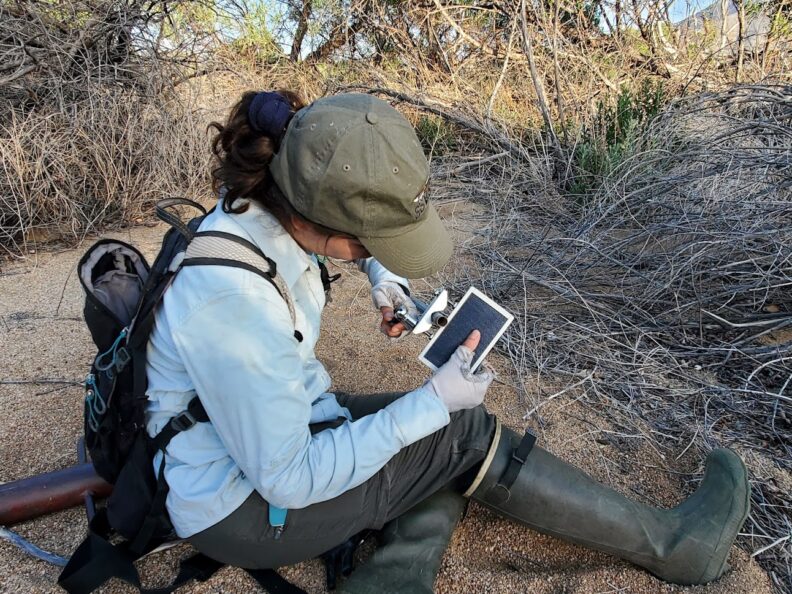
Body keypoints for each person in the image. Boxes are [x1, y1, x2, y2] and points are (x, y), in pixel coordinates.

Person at [144, 90, 750, 592]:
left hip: (280, 425)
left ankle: (388, 580)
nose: (376, 255)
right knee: (456, 431)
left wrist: (385, 280)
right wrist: (432, 403)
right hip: (240, 505)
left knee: (440, 441)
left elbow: (344, 236)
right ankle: (676, 547)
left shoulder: (268, 198)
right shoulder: (232, 302)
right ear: (314, 218)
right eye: (371, 245)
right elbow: (289, 479)